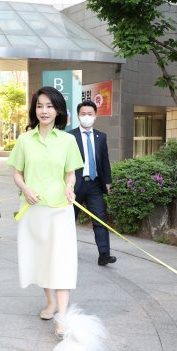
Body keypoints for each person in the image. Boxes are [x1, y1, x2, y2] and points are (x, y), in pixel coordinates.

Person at [7, 86, 83, 336]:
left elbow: (70, 173)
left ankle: (63, 316)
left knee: (61, 260)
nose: (44, 110)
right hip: (33, 210)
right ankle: (50, 302)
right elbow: (17, 173)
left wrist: (69, 187)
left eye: (49, 106)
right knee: (41, 260)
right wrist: (25, 189)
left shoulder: (68, 140)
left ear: (58, 110)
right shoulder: (25, 140)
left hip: (60, 209)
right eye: (40, 106)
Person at [69, 100, 116, 266]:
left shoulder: (101, 136)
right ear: (78, 116)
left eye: (90, 114)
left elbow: (104, 161)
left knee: (100, 220)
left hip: (95, 184)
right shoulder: (69, 136)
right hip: (75, 184)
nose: (87, 117)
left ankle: (104, 255)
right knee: (68, 220)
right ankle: (65, 254)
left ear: (95, 116)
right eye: (83, 114)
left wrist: (108, 181)